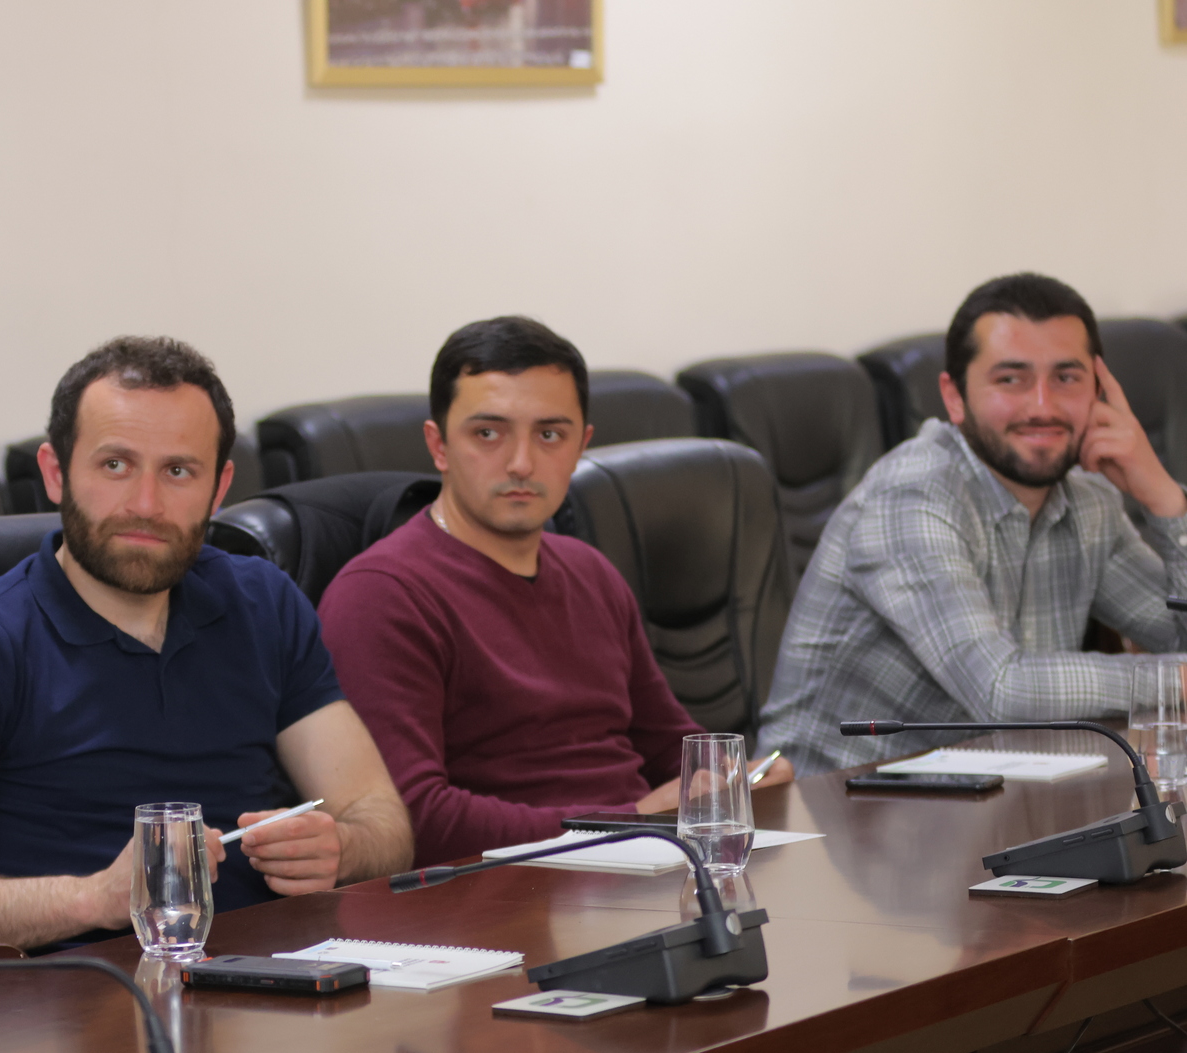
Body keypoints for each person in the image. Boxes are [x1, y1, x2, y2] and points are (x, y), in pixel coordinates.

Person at [0, 336, 413, 949]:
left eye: (178, 471)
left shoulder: (262, 602)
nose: (146, 505)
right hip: (76, 992)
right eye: (115, 465)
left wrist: (342, 848)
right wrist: (95, 898)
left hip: (281, 972)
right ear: (56, 473)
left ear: (219, 487)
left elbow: (382, 818)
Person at [317, 316, 792, 866]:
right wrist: (629, 821)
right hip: (510, 887)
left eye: (549, 435)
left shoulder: (591, 571)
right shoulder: (381, 597)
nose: (521, 463)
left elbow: (668, 745)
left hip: (642, 862)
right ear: (439, 445)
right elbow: (417, 820)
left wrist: (733, 779)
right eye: (488, 433)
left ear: (581, 445)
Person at [760, 273, 1187, 775]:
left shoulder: (1088, 502)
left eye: (1066, 378)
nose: (1043, 406)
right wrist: (1177, 682)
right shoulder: (912, 496)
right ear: (955, 396)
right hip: (834, 803)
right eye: (1011, 379)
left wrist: (1165, 499)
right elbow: (1001, 690)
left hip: (998, 793)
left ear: (1099, 390)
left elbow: (1175, 633)